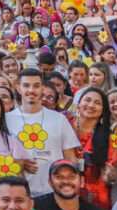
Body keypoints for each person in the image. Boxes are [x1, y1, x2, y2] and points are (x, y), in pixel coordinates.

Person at [6, 68, 81, 196]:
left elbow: (70, 158)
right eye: (26, 85)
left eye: (36, 86)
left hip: (55, 191)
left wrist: (72, 191)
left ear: (42, 88)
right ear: (18, 88)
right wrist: (19, 163)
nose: (31, 90)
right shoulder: (6, 119)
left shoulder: (59, 119)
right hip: (20, 193)